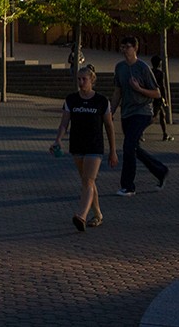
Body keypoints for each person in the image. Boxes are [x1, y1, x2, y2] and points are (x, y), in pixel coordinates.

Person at [53, 64, 118, 231]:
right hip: (77, 144)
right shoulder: (71, 100)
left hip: (94, 146)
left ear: (92, 80)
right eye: (79, 79)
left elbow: (109, 127)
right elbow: (64, 123)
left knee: (88, 180)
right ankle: (98, 215)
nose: (81, 82)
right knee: (87, 181)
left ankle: (81, 215)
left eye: (84, 79)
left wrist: (113, 151)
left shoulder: (102, 101)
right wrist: (58, 140)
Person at [111, 36, 169, 196]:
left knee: (128, 146)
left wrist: (139, 89)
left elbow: (157, 93)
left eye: (127, 47)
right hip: (127, 113)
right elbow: (117, 92)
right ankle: (161, 170)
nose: (123, 50)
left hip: (142, 112)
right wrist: (111, 111)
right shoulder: (120, 67)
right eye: (122, 47)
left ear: (135, 48)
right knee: (133, 148)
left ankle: (128, 186)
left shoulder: (143, 68)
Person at [151, 54, 174, 141]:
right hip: (158, 96)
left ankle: (165, 134)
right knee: (154, 116)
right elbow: (162, 86)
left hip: (151, 95)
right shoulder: (160, 73)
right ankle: (140, 132)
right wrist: (165, 99)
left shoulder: (150, 72)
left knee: (162, 115)